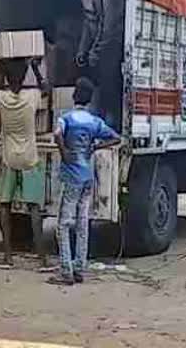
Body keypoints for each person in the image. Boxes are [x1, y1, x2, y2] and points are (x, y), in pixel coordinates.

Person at [49, 77, 121, 286]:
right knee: (82, 223)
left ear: (74, 96)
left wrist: (64, 154)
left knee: (63, 224)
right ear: (89, 100)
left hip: (72, 176)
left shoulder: (67, 118)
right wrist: (95, 147)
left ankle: (66, 271)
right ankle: (80, 268)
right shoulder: (94, 121)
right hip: (88, 176)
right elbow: (116, 138)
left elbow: (57, 135)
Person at [0, 57, 50, 269]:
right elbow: (46, 88)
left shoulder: (2, 98)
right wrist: (35, 69)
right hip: (29, 158)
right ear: (24, 76)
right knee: (34, 208)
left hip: (9, 158)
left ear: (7, 79)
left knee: (4, 205)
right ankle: (42, 259)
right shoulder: (31, 97)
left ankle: (8, 257)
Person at [62, 0, 125, 130]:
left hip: (114, 38)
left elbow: (109, 23)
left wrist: (96, 51)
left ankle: (110, 123)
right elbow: (89, 23)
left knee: (107, 80)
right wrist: (82, 50)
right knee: (92, 73)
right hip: (101, 39)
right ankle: (97, 119)